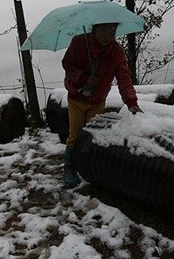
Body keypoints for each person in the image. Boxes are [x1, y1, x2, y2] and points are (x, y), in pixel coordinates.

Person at [61, 22, 143, 187]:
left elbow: (124, 78)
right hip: (77, 98)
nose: (108, 36)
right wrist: (84, 78)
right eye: (103, 31)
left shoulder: (116, 51)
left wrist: (131, 101)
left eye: (112, 32)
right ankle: (69, 168)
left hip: (97, 100)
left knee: (92, 136)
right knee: (76, 134)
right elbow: (67, 65)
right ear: (94, 30)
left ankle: (88, 167)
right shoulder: (79, 42)